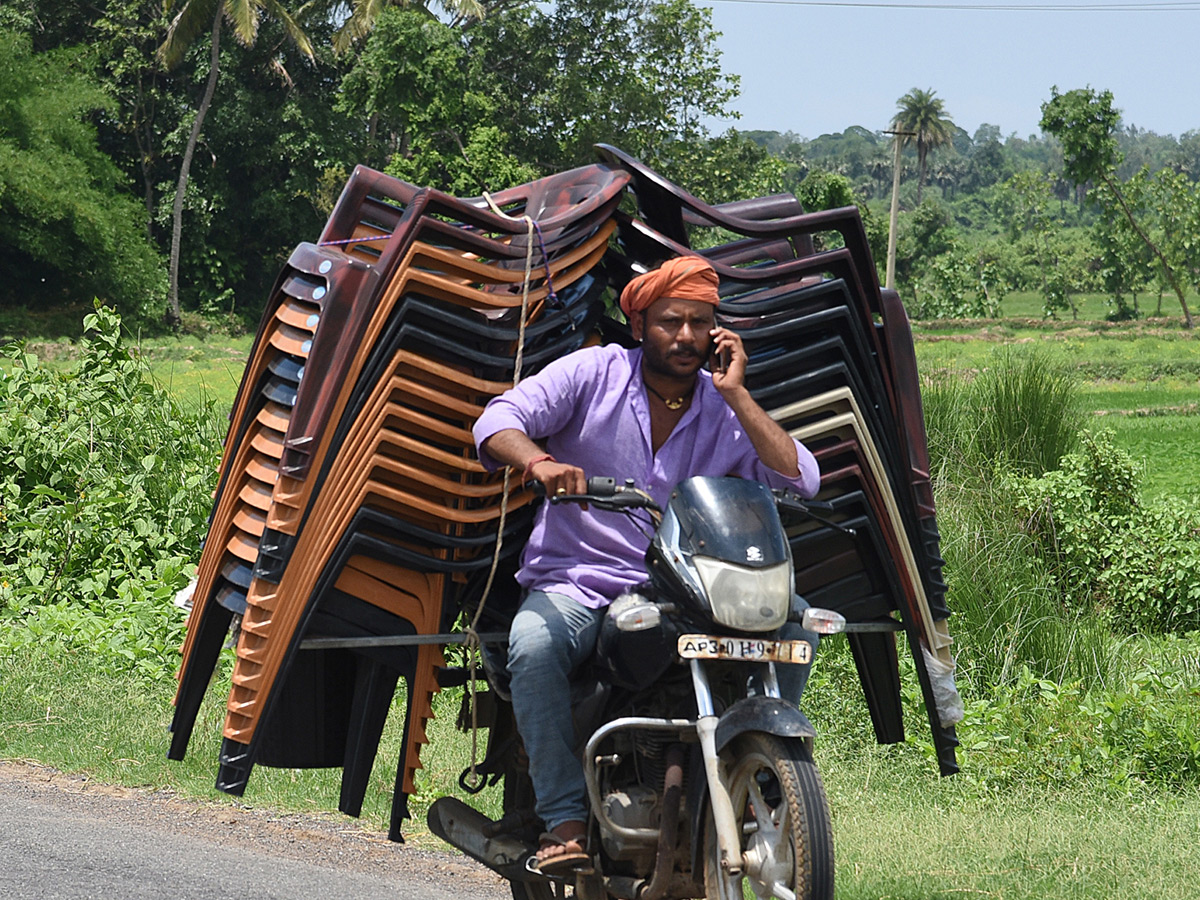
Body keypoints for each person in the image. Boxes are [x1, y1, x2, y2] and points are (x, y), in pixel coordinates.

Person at [472, 255, 820, 875]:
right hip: (582, 581)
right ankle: (565, 818)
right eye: (670, 321)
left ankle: (756, 779)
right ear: (640, 326)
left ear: (717, 332)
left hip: (693, 588)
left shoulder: (724, 407)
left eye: (698, 323)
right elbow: (497, 420)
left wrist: (737, 393)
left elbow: (802, 477)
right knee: (532, 646)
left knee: (796, 625)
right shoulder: (592, 372)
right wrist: (538, 463)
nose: (684, 336)